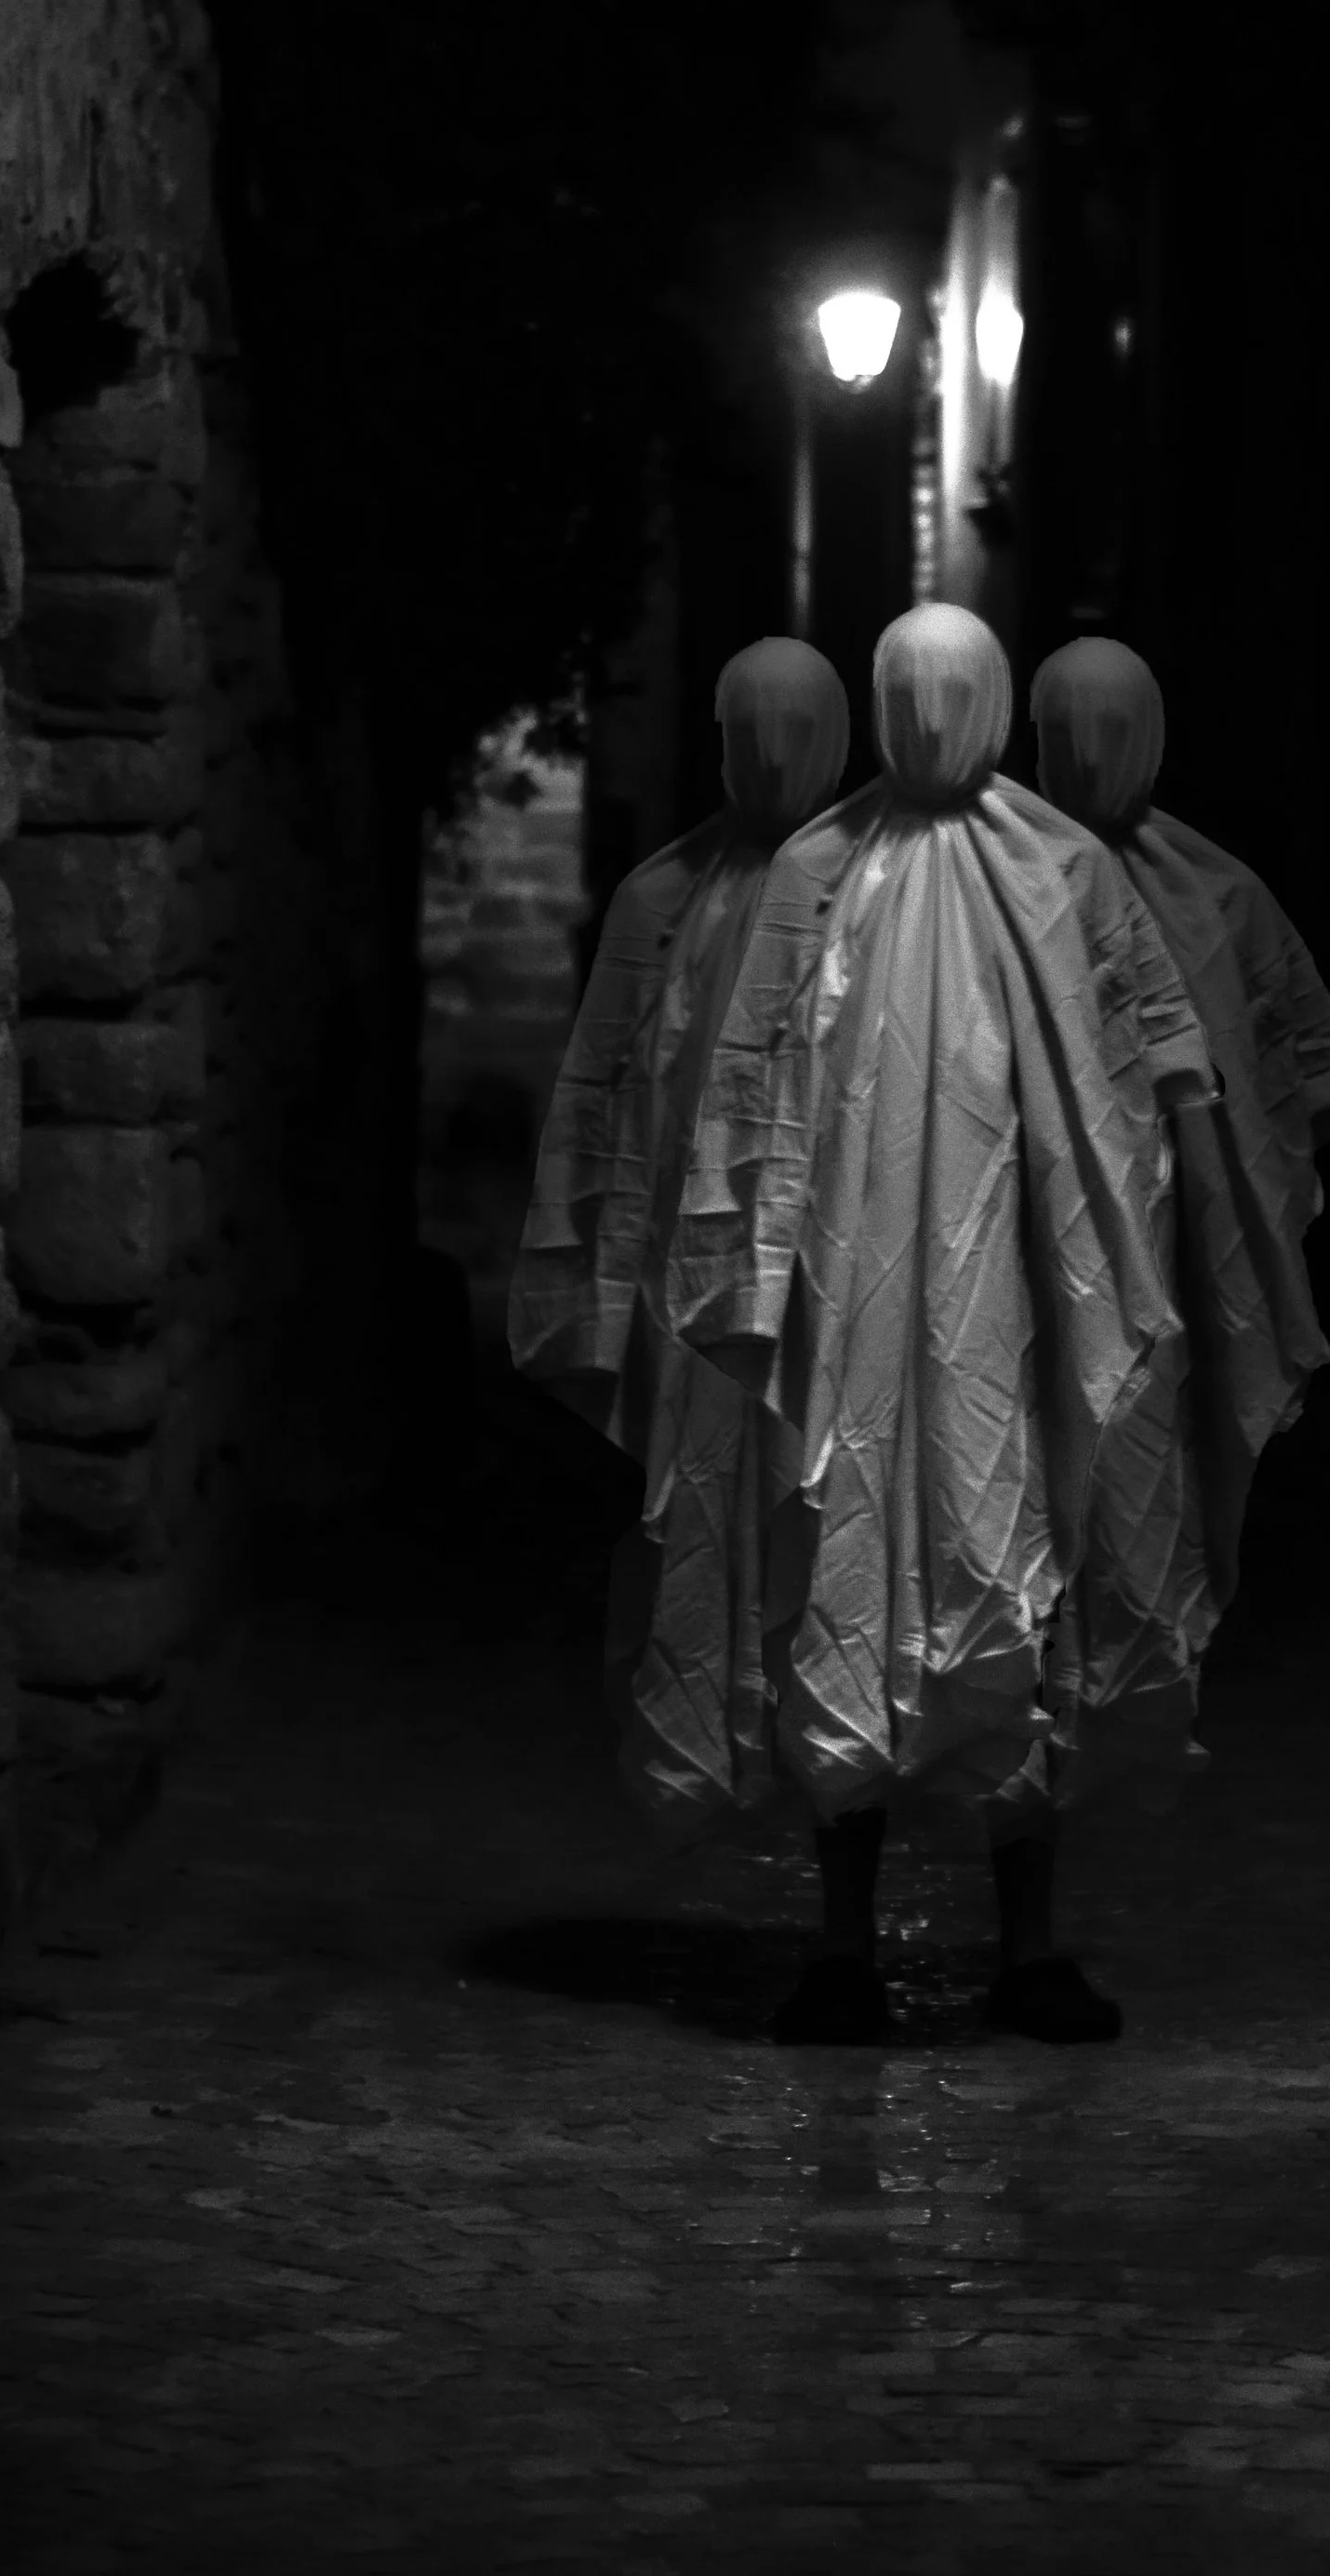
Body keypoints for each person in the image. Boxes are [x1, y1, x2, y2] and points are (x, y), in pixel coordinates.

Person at [668, 603, 1215, 2045]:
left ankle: (1027, 1947)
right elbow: (748, 1085)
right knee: (842, 1582)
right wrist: (745, 1286)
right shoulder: (812, 870)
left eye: (942, 690)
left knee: (1029, 1595)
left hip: (1026, 1308)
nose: (922, 714)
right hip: (846, 1312)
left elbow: (1153, 1064)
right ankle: (842, 1942)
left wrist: (1148, 1263)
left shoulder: (1067, 865)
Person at [507, 635, 850, 1830]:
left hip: (832, 1281)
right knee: (704, 1510)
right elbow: (604, 1097)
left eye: (786, 731)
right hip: (693, 1282)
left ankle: (836, 1760)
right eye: (740, 731)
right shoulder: (665, 894)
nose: (764, 757)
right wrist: (602, 1294)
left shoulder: (872, 892)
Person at [1031, 633, 1330, 1632]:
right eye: (1069, 732)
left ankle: (1111, 1690)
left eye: (1107, 732)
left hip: (1167, 1230)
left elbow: (1269, 1072)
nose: (1089, 754)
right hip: (1051, 1230)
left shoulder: (1212, 892)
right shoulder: (1010, 882)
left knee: (1136, 1451)